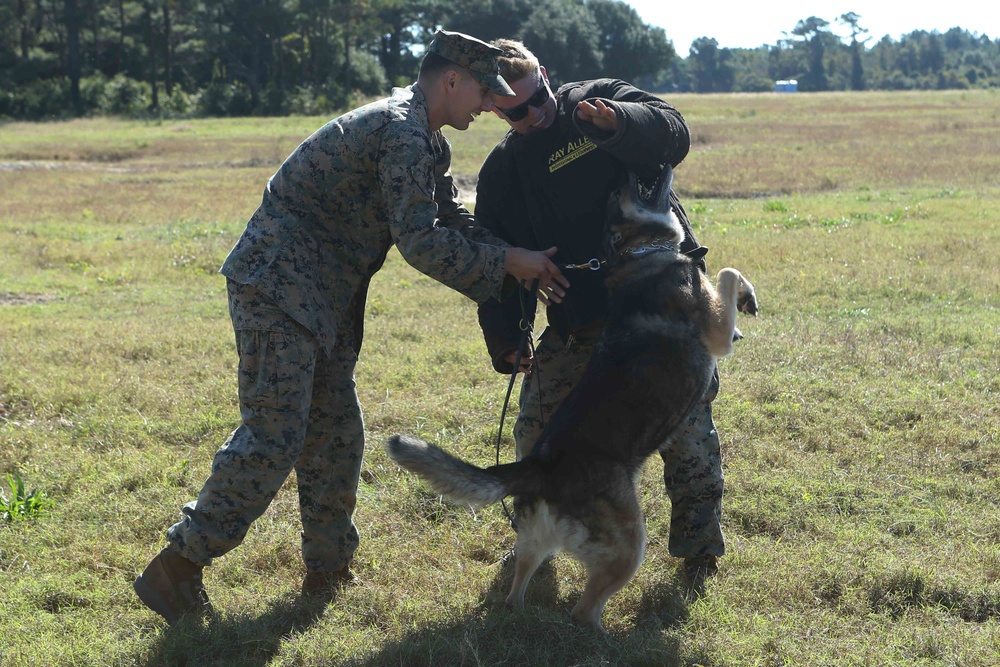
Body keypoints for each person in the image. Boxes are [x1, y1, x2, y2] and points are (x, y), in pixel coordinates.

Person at [132, 30, 570, 625]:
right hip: (279, 287)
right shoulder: (403, 133)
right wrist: (507, 264)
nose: (489, 106)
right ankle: (176, 567)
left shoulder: (425, 140)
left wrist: (512, 254)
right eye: (483, 92)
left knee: (337, 431)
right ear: (451, 80)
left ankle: (329, 566)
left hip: (321, 297)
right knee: (275, 435)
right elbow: (421, 243)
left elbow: (447, 218)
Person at [474, 39, 724, 581]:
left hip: (663, 319)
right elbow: (501, 258)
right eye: (516, 111)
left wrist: (620, 124)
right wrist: (506, 338)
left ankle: (698, 551)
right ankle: (533, 548)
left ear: (546, 74)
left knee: (686, 435)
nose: (535, 114)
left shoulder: (598, 102)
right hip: (578, 323)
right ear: (494, 108)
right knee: (537, 435)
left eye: (538, 97)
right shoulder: (503, 172)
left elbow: (673, 132)